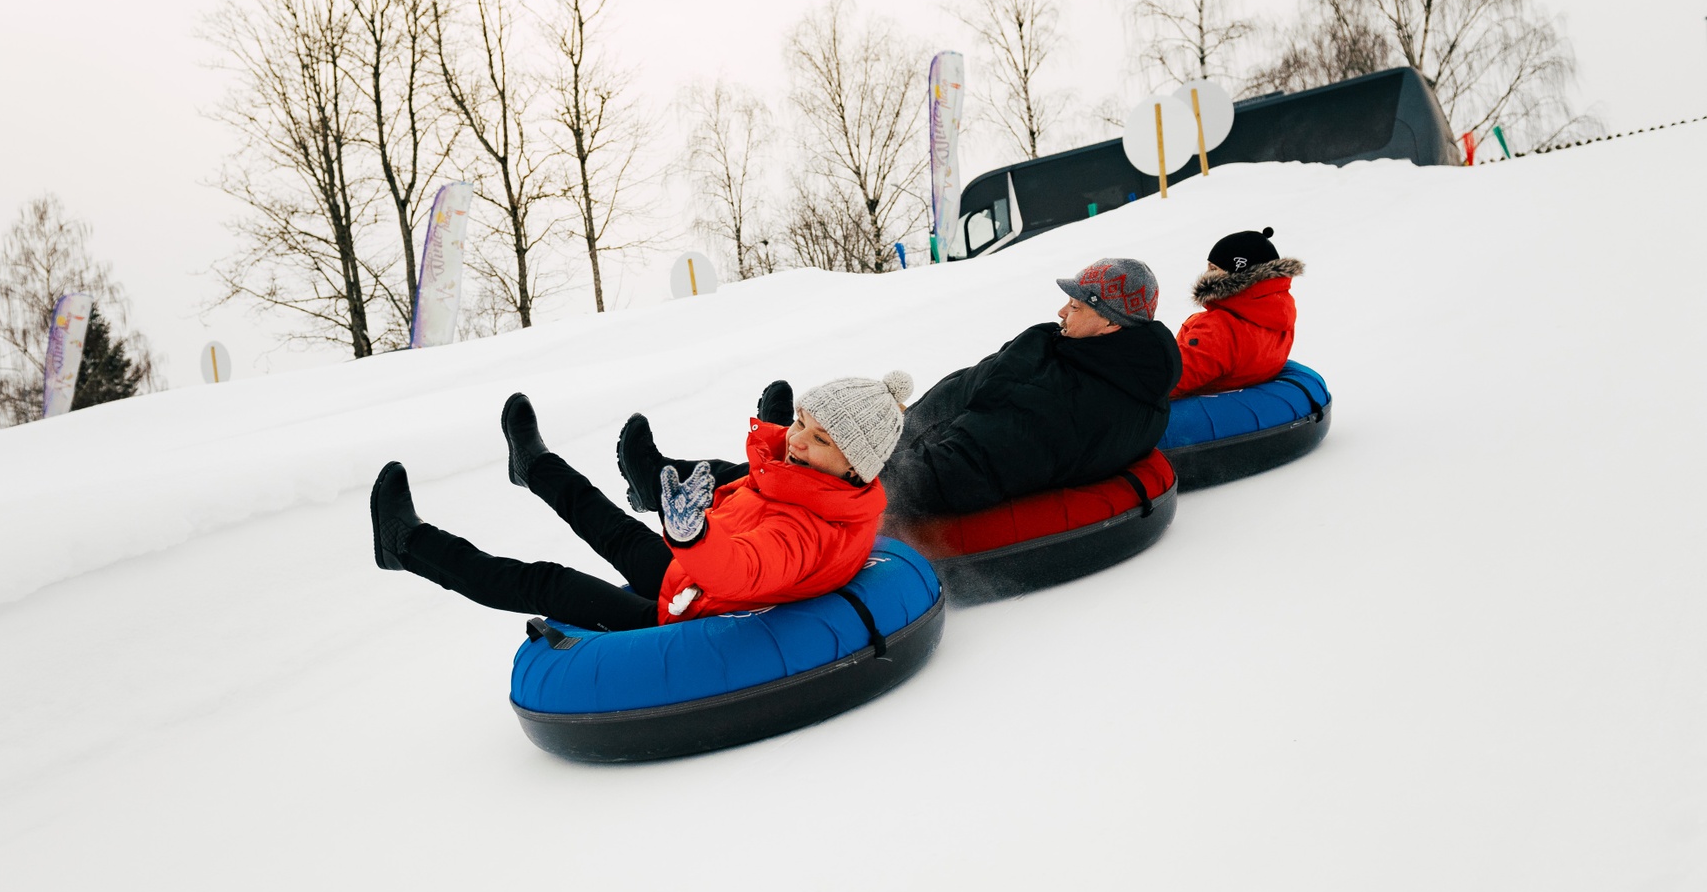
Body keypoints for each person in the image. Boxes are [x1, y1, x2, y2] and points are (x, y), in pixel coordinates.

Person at [619, 258, 1180, 521]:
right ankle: (784, 433)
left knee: (810, 477)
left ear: (1109, 321)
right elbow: (983, 385)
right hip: (941, 432)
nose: (1062, 310)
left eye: (1077, 305)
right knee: (823, 443)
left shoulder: (1085, 403)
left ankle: (666, 484)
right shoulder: (1095, 355)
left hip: (940, 476)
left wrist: (886, 463)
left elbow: (991, 456)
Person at [369, 373, 913, 632]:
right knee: (606, 521)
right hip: (689, 577)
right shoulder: (806, 480)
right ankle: (534, 467)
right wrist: (699, 522)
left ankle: (407, 544)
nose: (795, 440)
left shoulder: (814, 530)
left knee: (547, 582)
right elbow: (747, 508)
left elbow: (746, 568)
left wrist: (691, 533)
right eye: (800, 422)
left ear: (854, 466)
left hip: (685, 612)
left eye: (818, 439)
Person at [1172, 227, 1304, 398]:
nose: (1205, 275)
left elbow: (1166, 383)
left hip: (1200, 410)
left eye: (1213, 269)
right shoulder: (1278, 315)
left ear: (1235, 275)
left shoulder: (1219, 329)